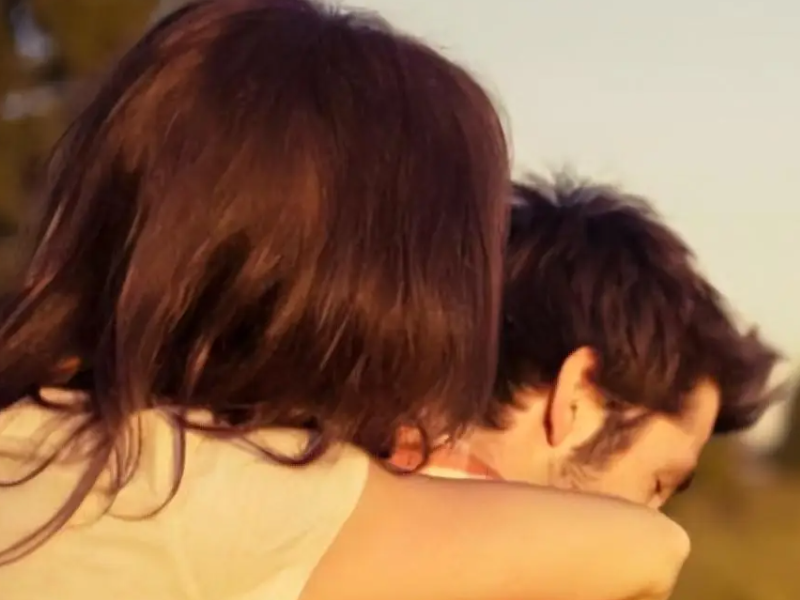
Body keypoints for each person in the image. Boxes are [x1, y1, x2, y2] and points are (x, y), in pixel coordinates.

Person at [0, 2, 689, 600]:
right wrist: (433, 479)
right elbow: (649, 550)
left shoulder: (51, 437)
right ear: (390, 294)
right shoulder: (218, 491)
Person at [394, 173, 780, 508]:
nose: (655, 524)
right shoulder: (487, 560)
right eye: (657, 484)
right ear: (577, 394)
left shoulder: (371, 486)